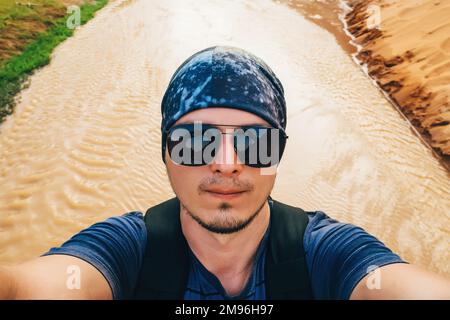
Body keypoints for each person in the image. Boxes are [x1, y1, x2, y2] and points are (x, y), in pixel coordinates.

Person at [1, 46, 449, 300]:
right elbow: (35, 287)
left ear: (280, 155)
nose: (228, 162)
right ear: (165, 154)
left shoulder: (326, 253)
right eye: (195, 140)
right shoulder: (127, 250)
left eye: (256, 141)